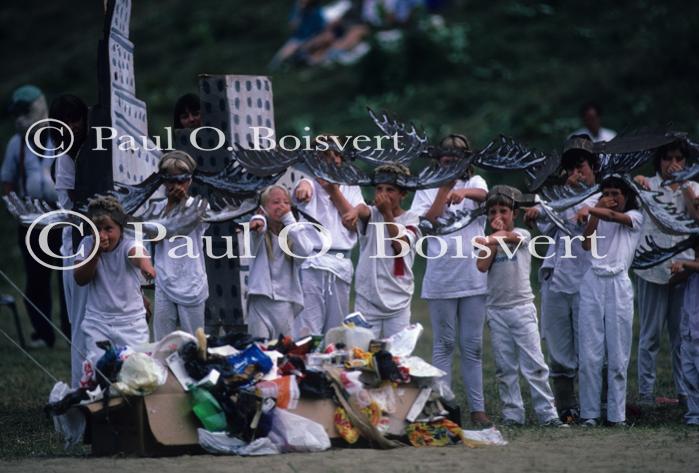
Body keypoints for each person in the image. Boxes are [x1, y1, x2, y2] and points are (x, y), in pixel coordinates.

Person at [409, 134, 490, 426]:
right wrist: (444, 190)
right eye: (445, 157)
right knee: (443, 344)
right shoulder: (427, 187)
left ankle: (478, 409)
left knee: (473, 346)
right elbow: (425, 222)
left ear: (465, 159)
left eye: (456, 157)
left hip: (473, 276)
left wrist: (463, 193)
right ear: (437, 159)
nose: (450, 161)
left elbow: (486, 197)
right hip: (441, 277)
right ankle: (442, 407)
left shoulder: (475, 182)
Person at [523, 135, 600, 423]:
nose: (576, 173)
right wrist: (534, 215)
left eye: (581, 165)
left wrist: (587, 208)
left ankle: (595, 406)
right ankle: (566, 407)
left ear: (593, 166)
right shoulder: (558, 195)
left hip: (589, 279)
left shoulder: (604, 195)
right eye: (570, 167)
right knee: (558, 349)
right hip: (557, 278)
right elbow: (543, 221)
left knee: (590, 347)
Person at [476, 185, 564, 427]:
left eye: (503, 211)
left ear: (513, 213)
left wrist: (493, 237)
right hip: (496, 310)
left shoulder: (523, 234)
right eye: (492, 212)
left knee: (534, 364)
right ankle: (513, 414)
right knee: (505, 367)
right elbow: (482, 266)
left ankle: (548, 414)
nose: (498, 217)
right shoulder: (489, 241)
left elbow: (511, 238)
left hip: (522, 308)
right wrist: (491, 242)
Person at [633, 140, 699, 407]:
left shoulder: (693, 187)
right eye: (668, 158)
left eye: (679, 158)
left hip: (682, 268)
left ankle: (686, 393)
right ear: (659, 160)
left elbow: (697, 218)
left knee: (680, 335)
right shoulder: (646, 185)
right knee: (649, 334)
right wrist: (636, 181)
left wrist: (685, 189)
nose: (674, 163)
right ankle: (647, 395)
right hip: (650, 268)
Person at [1, 84, 67, 348]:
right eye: (16, 113)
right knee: (36, 276)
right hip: (30, 217)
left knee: (67, 275)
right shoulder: (16, 143)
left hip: (60, 214)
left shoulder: (60, 137)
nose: (20, 118)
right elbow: (7, 179)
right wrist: (13, 207)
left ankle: (71, 330)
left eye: (25, 111)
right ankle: (42, 333)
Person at [578, 176, 644, 427]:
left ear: (626, 196)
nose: (611, 198)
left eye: (616, 193)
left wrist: (592, 208)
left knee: (618, 354)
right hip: (592, 281)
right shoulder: (597, 215)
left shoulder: (635, 217)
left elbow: (617, 218)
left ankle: (617, 416)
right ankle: (589, 414)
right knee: (589, 353)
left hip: (618, 283)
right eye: (606, 193)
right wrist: (593, 213)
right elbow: (586, 244)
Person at [74, 196, 155, 370]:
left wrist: (146, 266)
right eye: (97, 229)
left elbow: (138, 254)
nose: (102, 235)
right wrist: (95, 253)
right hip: (97, 323)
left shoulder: (129, 244)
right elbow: (80, 279)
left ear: (121, 229)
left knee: (138, 371)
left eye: (108, 229)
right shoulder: (86, 245)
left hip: (131, 324)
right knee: (100, 370)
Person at [293, 144, 365, 336]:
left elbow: (353, 223)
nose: (333, 160)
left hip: (340, 263)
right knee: (308, 328)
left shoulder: (351, 186)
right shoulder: (306, 182)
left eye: (337, 155)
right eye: (326, 156)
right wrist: (305, 186)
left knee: (336, 330)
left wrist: (334, 191)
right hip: (312, 262)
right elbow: (302, 191)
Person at [342, 164, 420, 338]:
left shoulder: (411, 219)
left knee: (396, 356)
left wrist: (387, 215)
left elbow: (400, 246)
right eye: (379, 189)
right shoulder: (372, 214)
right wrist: (354, 210)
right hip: (367, 301)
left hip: (398, 303)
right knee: (361, 354)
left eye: (390, 190)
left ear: (403, 194)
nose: (383, 194)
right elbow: (363, 209)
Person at [50, 94, 90, 386]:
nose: (71, 126)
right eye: (65, 120)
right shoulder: (65, 157)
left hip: (94, 243)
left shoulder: (89, 149)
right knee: (80, 319)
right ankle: (79, 383)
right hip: (74, 243)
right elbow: (76, 198)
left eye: (75, 119)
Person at [151, 151, 209, 340]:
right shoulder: (156, 208)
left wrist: (182, 202)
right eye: (170, 180)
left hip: (192, 282)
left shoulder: (200, 206)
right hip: (164, 280)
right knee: (163, 343)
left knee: (194, 342)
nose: (176, 185)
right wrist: (169, 205)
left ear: (189, 180)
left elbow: (194, 221)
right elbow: (154, 237)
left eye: (182, 180)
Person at [247, 185, 315, 339]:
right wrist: (258, 219)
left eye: (286, 202)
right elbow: (257, 227)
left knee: (282, 352)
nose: (281, 206)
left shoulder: (294, 234)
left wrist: (289, 219)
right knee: (260, 348)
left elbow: (305, 249)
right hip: (260, 301)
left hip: (285, 303)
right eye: (276, 202)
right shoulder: (257, 230)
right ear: (264, 208)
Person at [671, 236, 699, 426]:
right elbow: (672, 281)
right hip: (689, 330)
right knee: (690, 375)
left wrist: (686, 264)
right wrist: (681, 268)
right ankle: (694, 415)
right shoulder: (690, 272)